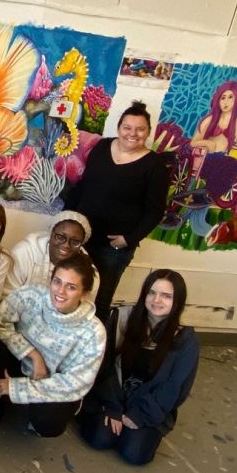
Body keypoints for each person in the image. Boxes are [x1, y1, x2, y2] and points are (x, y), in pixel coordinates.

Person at [0, 254, 106, 440]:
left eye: (71, 287)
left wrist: (18, 388)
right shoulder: (30, 295)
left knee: (48, 422)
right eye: (57, 282)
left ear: (84, 293)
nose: (61, 291)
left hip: (53, 380)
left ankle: (34, 409)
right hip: (22, 363)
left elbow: (75, 382)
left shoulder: (94, 332)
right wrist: (31, 353)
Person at [79, 269, 198, 465]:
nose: (156, 300)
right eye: (151, 292)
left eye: (166, 296)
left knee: (134, 454)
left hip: (149, 404)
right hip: (114, 396)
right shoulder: (122, 318)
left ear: (178, 301)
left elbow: (176, 386)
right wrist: (112, 407)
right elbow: (103, 364)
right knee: (100, 439)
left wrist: (139, 415)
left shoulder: (185, 339)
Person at [65, 101, 168, 323]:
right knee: (70, 292)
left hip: (112, 249)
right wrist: (65, 219)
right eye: (127, 127)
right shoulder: (102, 147)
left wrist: (128, 239)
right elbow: (83, 185)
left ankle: (96, 353)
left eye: (140, 129)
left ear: (148, 132)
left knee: (99, 302)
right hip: (80, 237)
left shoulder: (154, 166)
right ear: (119, 128)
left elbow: (155, 211)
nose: (133, 134)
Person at [3, 210, 99, 308]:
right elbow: (6, 296)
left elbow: (83, 311)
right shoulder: (25, 252)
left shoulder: (89, 273)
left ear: (81, 245)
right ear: (51, 234)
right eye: (60, 237)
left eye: (75, 241)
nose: (66, 245)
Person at [190, 81, 237, 156]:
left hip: (222, 158)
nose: (226, 102)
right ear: (218, 100)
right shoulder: (210, 119)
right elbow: (193, 143)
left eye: (230, 97)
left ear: (236, 99)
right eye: (223, 98)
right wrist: (208, 143)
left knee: (234, 164)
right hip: (205, 157)